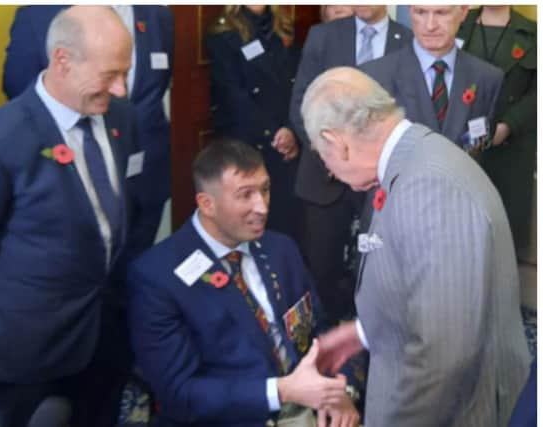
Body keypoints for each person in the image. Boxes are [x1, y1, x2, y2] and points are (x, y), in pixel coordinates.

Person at [0, 7, 142, 427]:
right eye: (109, 75)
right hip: (32, 357)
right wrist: (10, 316)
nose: (121, 89)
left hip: (106, 341)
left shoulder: (120, 117)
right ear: (63, 61)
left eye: (125, 72)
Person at [300, 66, 530, 427]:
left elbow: (444, 353)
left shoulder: (428, 185)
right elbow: (421, 284)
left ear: (337, 142)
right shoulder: (415, 157)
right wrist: (362, 332)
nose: (329, 171)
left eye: (322, 156)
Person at [128, 139, 360, 427]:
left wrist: (342, 391)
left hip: (309, 409)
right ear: (206, 204)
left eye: (264, 190)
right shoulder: (157, 276)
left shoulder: (281, 249)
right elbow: (180, 394)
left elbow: (319, 330)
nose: (261, 207)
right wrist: (282, 391)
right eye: (245, 195)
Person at [4, 5, 174, 251]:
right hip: (74, 174)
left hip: (147, 171)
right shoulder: (37, 15)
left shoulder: (158, 16)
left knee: (139, 265)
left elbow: (159, 84)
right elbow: (21, 92)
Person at [289, 6, 412, 325]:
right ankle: (326, 344)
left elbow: (406, 112)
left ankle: (371, 341)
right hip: (323, 175)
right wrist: (334, 156)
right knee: (322, 268)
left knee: (376, 268)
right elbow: (300, 103)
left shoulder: (408, 40)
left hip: (378, 182)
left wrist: (367, 163)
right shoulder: (323, 36)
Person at [206, 6, 301, 241]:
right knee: (248, 224)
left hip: (285, 142)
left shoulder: (283, 28)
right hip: (248, 143)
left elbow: (297, 84)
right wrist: (273, 133)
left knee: (284, 225)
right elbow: (233, 96)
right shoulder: (223, 32)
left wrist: (292, 130)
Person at [361, 5, 503, 153]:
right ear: (410, 11)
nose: (430, 26)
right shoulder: (373, 77)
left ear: (463, 12)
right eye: (420, 12)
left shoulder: (488, 78)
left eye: (441, 13)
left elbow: (479, 147)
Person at [458, 5, 536, 254]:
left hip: (511, 151)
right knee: (461, 233)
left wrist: (509, 125)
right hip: (459, 145)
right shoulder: (456, 23)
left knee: (503, 243)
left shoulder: (532, 33)